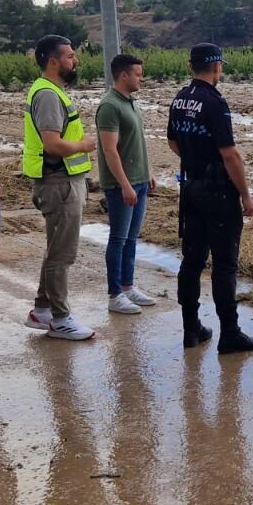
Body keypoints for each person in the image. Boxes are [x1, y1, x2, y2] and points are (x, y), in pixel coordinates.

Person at [166, 42, 253, 354]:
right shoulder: (214, 102)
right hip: (219, 193)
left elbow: (172, 141)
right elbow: (231, 154)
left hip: (192, 188)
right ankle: (230, 333)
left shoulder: (181, 99)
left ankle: (191, 328)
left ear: (189, 65)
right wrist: (245, 195)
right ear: (217, 66)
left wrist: (196, 161)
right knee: (224, 265)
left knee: (192, 260)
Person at [23, 34, 98, 341]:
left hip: (61, 181)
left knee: (56, 249)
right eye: (70, 56)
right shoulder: (48, 95)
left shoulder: (50, 91)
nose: (75, 60)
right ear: (53, 61)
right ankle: (60, 319)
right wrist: (84, 145)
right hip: (59, 183)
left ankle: (41, 310)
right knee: (62, 255)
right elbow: (52, 144)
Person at [97, 52, 158, 316]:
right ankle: (115, 294)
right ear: (124, 75)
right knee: (119, 238)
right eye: (137, 74)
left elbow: (136, 143)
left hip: (140, 180)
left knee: (132, 238)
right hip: (122, 185)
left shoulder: (130, 102)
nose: (141, 79)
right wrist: (124, 184)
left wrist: (148, 172)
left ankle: (128, 285)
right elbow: (110, 150)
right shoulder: (110, 106)